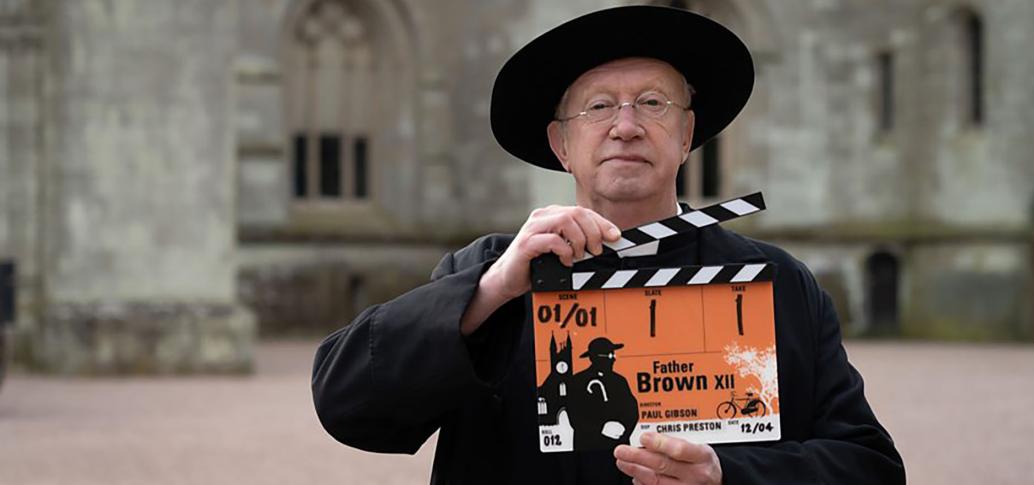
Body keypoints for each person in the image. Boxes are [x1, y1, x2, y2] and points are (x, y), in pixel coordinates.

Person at [312, 6, 905, 484]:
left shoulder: (777, 282)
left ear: (686, 134)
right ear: (561, 145)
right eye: (598, 107)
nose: (626, 125)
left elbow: (870, 466)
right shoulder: (484, 277)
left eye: (653, 103)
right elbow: (348, 406)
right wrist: (489, 292)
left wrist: (731, 473)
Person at [566, 338, 638, 451]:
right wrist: (600, 428)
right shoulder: (577, 381)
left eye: (613, 355)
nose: (613, 359)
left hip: (618, 449)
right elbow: (575, 416)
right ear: (596, 358)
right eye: (610, 355)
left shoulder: (620, 381)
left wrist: (625, 429)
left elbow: (632, 409)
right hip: (589, 451)